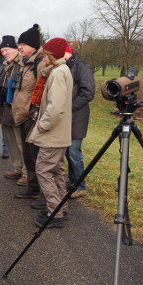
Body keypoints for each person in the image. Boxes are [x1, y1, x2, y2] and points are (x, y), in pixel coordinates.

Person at [26, 38, 72, 228]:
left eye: (46, 54)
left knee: (43, 169)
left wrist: (42, 126)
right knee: (56, 170)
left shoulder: (58, 73)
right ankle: (62, 206)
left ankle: (55, 213)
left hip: (53, 134)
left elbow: (55, 108)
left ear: (52, 56)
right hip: (59, 134)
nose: (43, 57)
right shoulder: (60, 71)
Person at [13, 24, 44, 199]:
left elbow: (43, 91)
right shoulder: (23, 64)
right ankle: (32, 189)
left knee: (37, 157)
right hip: (22, 116)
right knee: (28, 157)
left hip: (32, 117)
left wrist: (36, 114)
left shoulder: (39, 64)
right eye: (20, 45)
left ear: (33, 46)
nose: (20, 48)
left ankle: (42, 191)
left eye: (23, 44)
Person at [0, 35, 28, 187]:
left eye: (6, 50)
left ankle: (28, 173)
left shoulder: (22, 64)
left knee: (21, 141)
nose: (4, 53)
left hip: (17, 109)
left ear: (15, 49)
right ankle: (18, 168)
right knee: (11, 141)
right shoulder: (4, 65)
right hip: (4, 109)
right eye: (2, 50)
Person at [64, 44, 95, 198]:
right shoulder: (66, 67)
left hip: (77, 116)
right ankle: (73, 181)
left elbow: (88, 92)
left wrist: (70, 106)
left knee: (74, 151)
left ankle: (81, 186)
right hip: (67, 116)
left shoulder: (82, 66)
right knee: (68, 151)